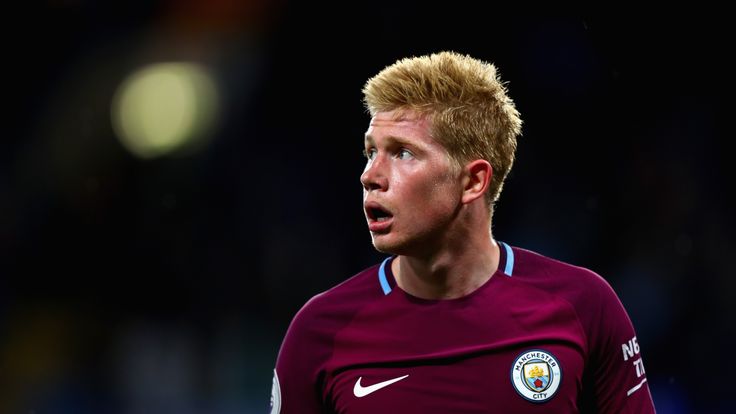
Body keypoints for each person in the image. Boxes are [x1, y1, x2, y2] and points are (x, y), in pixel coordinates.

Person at [270, 51, 655, 413]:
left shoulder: (584, 307)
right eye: (371, 152)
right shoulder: (320, 332)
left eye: (402, 152)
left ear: (473, 181)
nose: (370, 176)